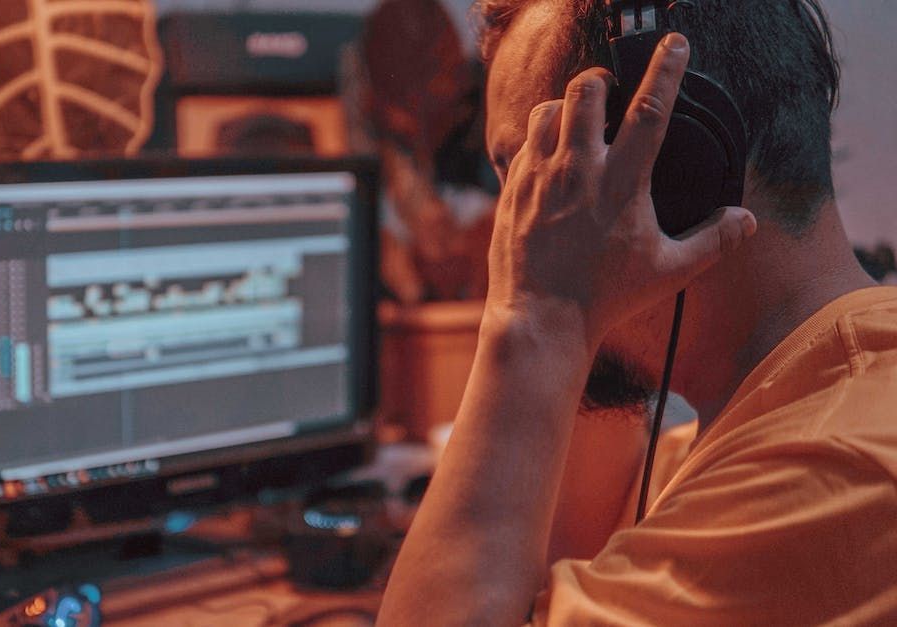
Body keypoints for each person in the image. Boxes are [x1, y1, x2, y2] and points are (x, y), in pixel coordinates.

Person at [379, 1, 897, 625]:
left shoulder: (833, 471)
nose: (514, 227)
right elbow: (564, 549)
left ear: (680, 169)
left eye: (541, 178)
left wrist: (537, 315)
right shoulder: (787, 407)